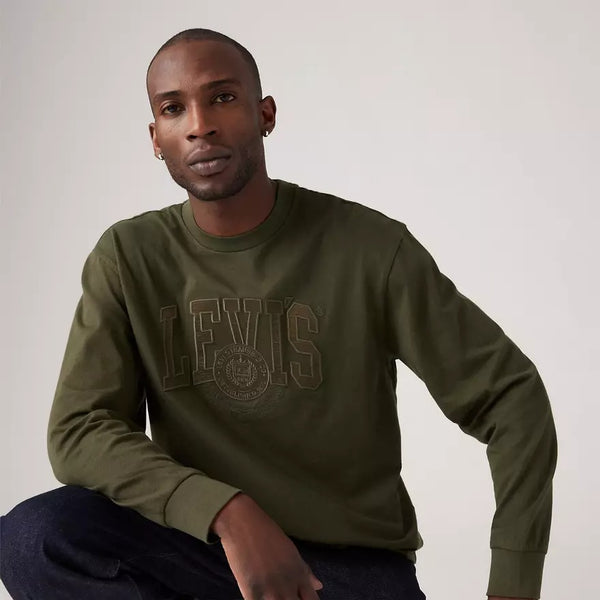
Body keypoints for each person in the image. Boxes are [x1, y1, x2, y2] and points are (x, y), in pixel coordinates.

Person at [0, 28, 557, 600]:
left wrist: (513, 585)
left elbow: (510, 397)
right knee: (34, 538)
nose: (199, 125)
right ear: (156, 139)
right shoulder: (128, 256)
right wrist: (226, 512)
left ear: (264, 114)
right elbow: (80, 430)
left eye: (222, 97)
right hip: (204, 550)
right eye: (173, 109)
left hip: (348, 572)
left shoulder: (369, 250)